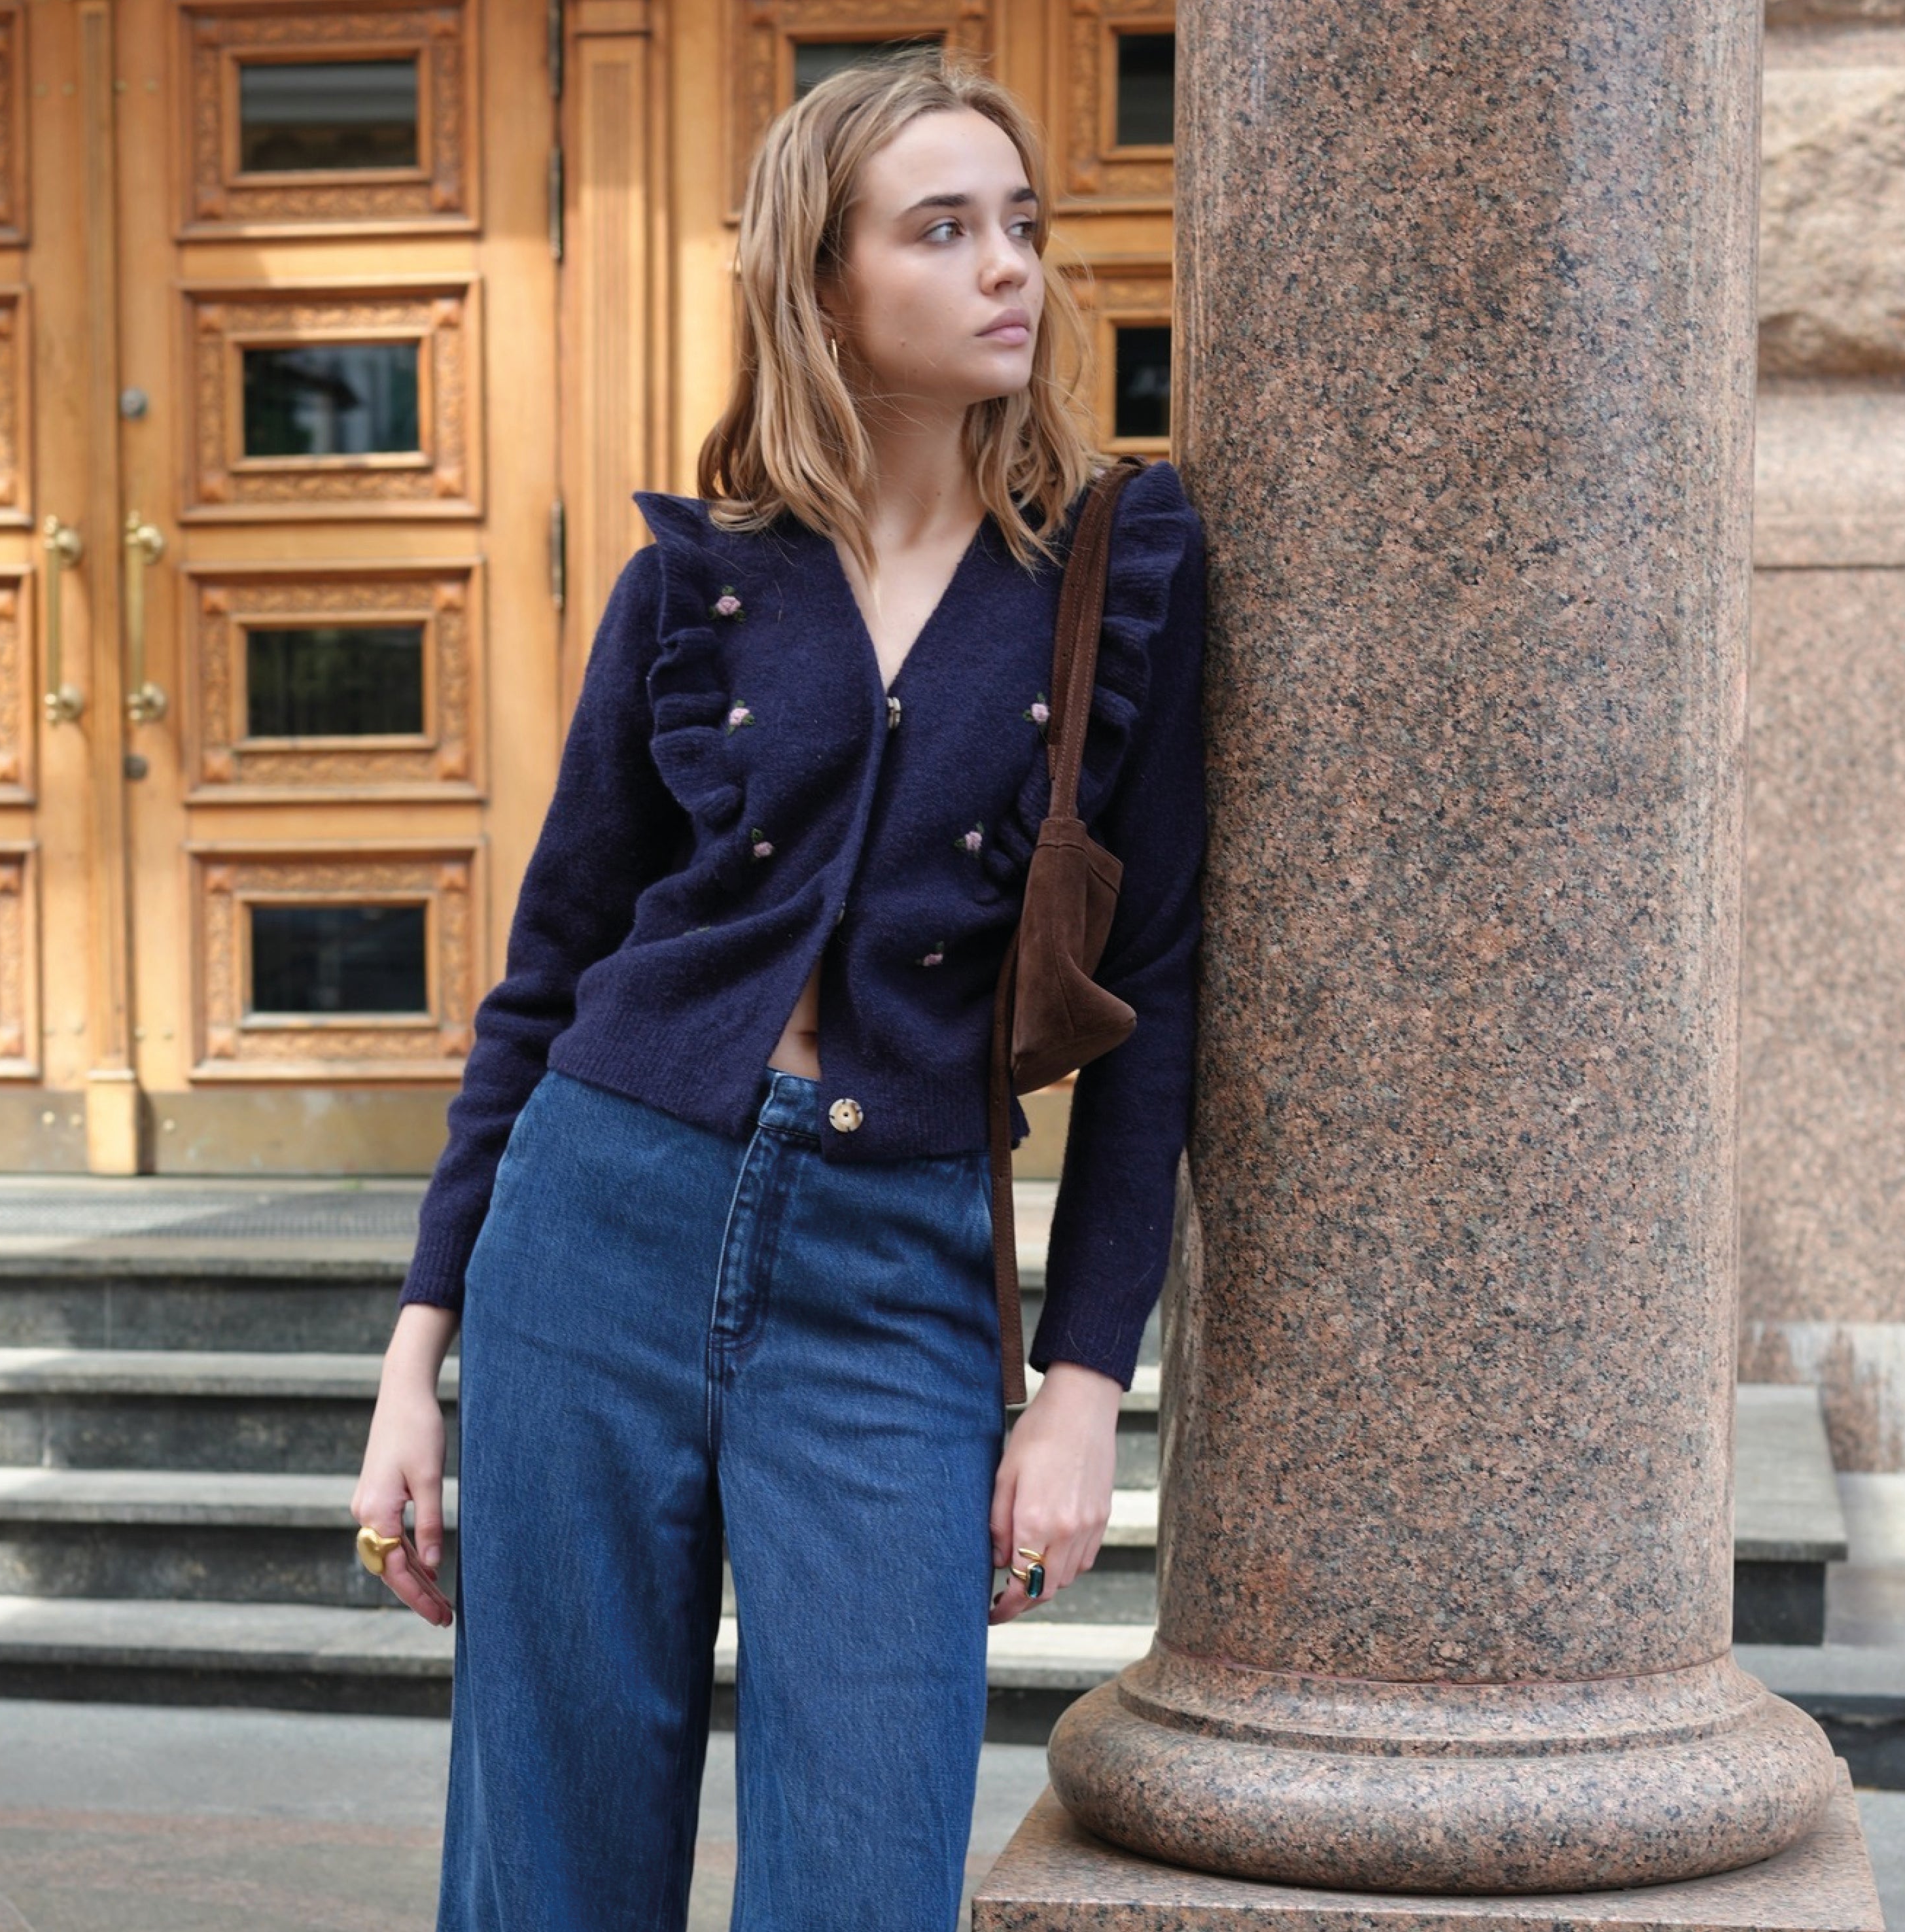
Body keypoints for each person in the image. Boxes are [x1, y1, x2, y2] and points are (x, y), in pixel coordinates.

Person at [351, 44, 1206, 1932]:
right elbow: (547, 978)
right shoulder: (698, 582)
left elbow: (1154, 1009)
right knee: (549, 1865)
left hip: (894, 1272)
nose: (1011, 267)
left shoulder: (1114, 570)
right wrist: (415, 1362)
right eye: (942, 229)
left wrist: (1081, 1388)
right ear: (823, 282)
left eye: (1021, 223)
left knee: (864, 1873)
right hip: (599, 1227)